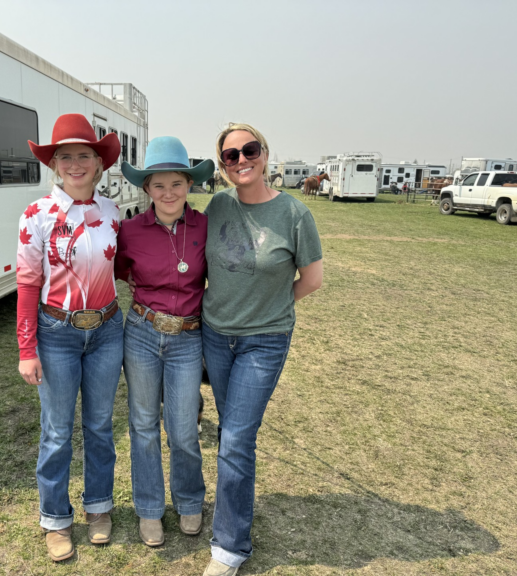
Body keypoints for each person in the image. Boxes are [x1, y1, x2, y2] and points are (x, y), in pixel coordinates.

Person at [200, 123, 323, 576]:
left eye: (249, 150)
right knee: (235, 436)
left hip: (265, 341)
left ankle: (229, 548)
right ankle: (232, 514)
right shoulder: (216, 206)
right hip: (215, 335)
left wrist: (269, 308)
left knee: (234, 438)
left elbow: (312, 280)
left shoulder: (295, 214)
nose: (241, 160)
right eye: (230, 156)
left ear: (265, 154)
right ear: (223, 166)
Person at [16, 114, 124, 562]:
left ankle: (98, 507)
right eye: (66, 156)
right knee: (57, 431)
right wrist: (27, 349)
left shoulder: (114, 214)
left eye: (85, 155)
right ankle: (55, 519)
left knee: (100, 426)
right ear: (54, 165)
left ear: (99, 164)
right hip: (57, 333)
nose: (76, 164)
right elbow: (26, 282)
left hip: (107, 329)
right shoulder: (37, 215)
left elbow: (123, 269)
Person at [115, 137, 214, 547]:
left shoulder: (207, 226)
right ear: (146, 189)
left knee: (183, 428)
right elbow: (121, 271)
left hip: (188, 339)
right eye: (159, 185)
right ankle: (149, 510)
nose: (168, 192)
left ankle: (190, 500)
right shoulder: (129, 230)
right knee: (142, 425)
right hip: (141, 333)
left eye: (176, 183)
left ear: (189, 185)